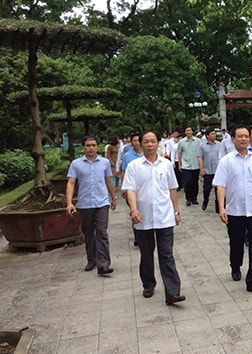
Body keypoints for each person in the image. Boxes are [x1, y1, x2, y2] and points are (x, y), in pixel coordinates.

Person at [121, 130, 185, 305]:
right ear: (140, 144)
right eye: (146, 142)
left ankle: (172, 292)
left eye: (153, 141)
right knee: (147, 254)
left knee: (167, 254)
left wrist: (176, 211)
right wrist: (133, 210)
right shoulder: (134, 166)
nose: (150, 144)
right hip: (143, 217)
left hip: (165, 216)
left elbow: (172, 189)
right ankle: (148, 283)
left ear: (158, 144)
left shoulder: (166, 165)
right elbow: (130, 190)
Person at [213, 124, 252, 296]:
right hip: (235, 211)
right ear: (233, 139)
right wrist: (222, 207)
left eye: (247, 136)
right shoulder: (226, 161)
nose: (245, 139)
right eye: (241, 136)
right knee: (236, 244)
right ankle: (235, 265)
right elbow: (220, 186)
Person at [66, 135, 117, 275]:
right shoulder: (76, 164)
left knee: (101, 232)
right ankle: (92, 259)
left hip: (102, 203)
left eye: (94, 145)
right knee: (88, 233)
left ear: (97, 146)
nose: (91, 148)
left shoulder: (105, 162)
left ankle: (104, 264)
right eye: (88, 145)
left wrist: (114, 198)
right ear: (83, 147)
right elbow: (71, 183)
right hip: (84, 204)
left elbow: (109, 181)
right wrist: (69, 202)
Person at [177, 125, 202, 206]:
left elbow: (201, 154)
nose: (188, 132)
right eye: (186, 130)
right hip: (186, 165)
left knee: (195, 182)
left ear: (192, 131)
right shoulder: (181, 142)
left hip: (195, 164)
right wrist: (180, 164)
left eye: (189, 130)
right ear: (185, 132)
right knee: (187, 183)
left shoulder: (198, 141)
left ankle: (194, 198)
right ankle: (188, 198)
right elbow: (180, 153)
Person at [200, 127, 221, 212]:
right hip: (207, 171)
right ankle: (205, 201)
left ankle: (218, 207)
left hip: (218, 171)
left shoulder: (219, 145)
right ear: (207, 136)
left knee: (218, 190)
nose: (214, 135)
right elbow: (200, 157)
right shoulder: (202, 145)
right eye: (212, 134)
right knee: (207, 189)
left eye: (214, 134)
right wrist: (201, 169)